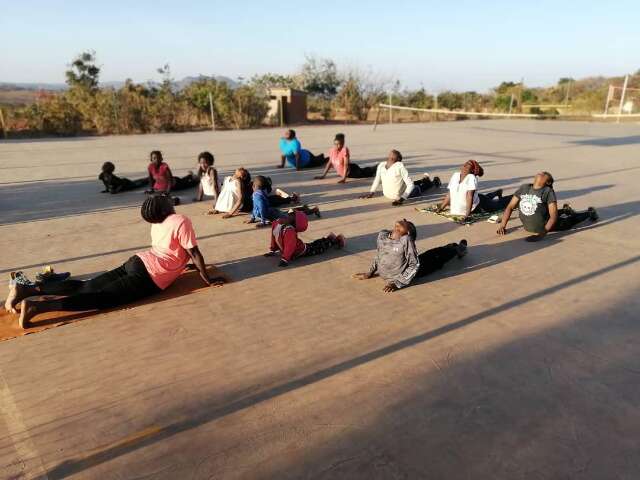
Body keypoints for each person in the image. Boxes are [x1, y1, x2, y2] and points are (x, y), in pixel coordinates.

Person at [5, 195, 225, 329]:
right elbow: (194, 252)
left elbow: (170, 249)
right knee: (102, 298)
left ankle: (29, 289)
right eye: (167, 200)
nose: (170, 201)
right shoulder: (180, 220)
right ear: (165, 208)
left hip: (137, 261)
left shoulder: (157, 224)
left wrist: (180, 265)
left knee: (87, 285)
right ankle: (38, 306)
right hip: (149, 277)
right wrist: (207, 279)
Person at [353, 219, 468, 292]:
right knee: (432, 254)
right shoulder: (383, 236)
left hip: (417, 270)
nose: (404, 219)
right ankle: (451, 246)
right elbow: (379, 255)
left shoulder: (405, 240)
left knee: (436, 256)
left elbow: (414, 264)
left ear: (407, 234)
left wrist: (397, 283)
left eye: (406, 223)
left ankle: (458, 249)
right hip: (400, 266)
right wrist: (370, 272)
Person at [497, 171, 598, 241]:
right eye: (542, 172)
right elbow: (510, 207)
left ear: (547, 182)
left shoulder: (547, 191)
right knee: (545, 210)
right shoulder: (524, 188)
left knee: (570, 220)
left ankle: (590, 213)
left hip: (545, 227)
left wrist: (541, 235)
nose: (542, 173)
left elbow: (553, 217)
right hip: (529, 226)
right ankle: (565, 210)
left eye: (545, 174)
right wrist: (502, 226)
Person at [435, 160, 511, 220]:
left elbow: (469, 197)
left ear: (471, 171)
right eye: (465, 165)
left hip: (477, 203)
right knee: (481, 197)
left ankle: (513, 197)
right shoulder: (455, 175)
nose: (464, 167)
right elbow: (450, 194)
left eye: (467, 166)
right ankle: (496, 193)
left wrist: (467, 214)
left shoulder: (471, 178)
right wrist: (441, 208)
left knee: (497, 206)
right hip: (478, 197)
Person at [360, 150, 441, 206]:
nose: (392, 151)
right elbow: (377, 179)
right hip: (391, 195)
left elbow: (410, 185)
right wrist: (371, 192)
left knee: (418, 187)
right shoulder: (381, 165)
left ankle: (434, 182)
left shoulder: (399, 167)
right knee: (411, 184)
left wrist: (402, 199)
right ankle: (425, 180)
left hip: (398, 196)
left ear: (396, 159)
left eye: (395, 153)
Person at [265, 211, 345, 267]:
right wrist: (272, 250)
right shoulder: (276, 223)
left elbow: (290, 246)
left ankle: (336, 240)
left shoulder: (289, 231)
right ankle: (329, 238)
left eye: (291, 215)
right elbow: (274, 237)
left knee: (319, 248)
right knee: (314, 244)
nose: (288, 214)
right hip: (297, 247)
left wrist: (285, 259)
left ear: (294, 222)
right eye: (289, 213)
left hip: (300, 250)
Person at [246, 175, 319, 227]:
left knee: (291, 217)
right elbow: (255, 207)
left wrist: (263, 222)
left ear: (254, 186)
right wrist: (252, 218)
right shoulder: (256, 194)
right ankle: (303, 208)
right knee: (288, 213)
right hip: (272, 213)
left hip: (273, 214)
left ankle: (313, 210)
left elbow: (262, 209)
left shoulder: (258, 196)